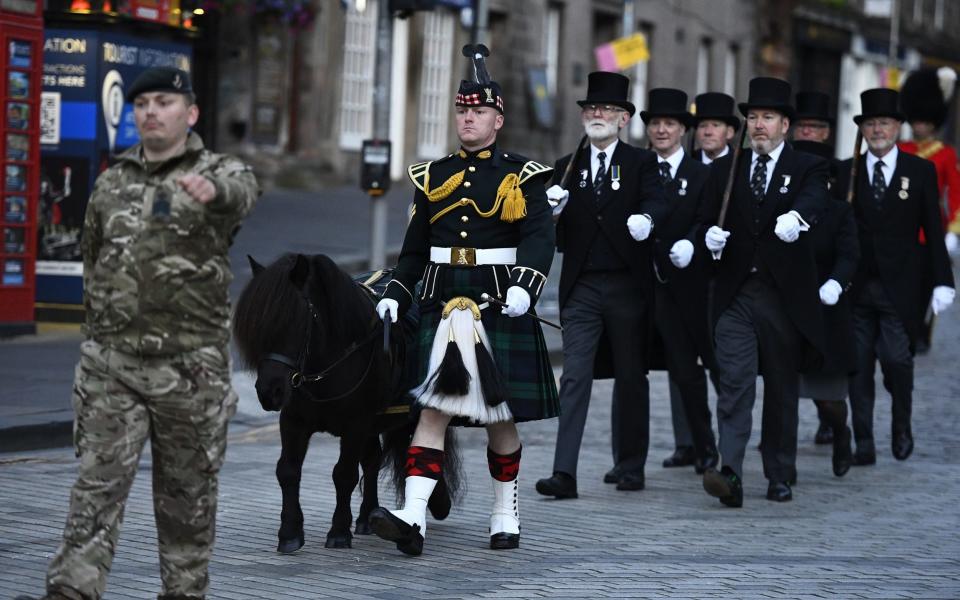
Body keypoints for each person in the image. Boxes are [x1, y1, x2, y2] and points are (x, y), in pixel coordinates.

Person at [17, 67, 259, 600]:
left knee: (186, 497)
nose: (151, 111)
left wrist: (210, 190)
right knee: (95, 490)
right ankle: (71, 590)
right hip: (112, 365)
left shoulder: (220, 171)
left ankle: (184, 591)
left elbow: (241, 194)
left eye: (164, 102)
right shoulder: (112, 179)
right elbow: (92, 253)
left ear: (190, 113)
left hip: (189, 371)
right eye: (143, 103)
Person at [370, 49, 557, 555]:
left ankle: (505, 512)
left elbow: (540, 238)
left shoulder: (524, 176)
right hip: (441, 298)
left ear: (498, 119)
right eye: (461, 111)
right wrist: (393, 293)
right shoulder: (433, 176)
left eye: (477, 112)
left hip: (497, 299)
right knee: (432, 410)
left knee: (500, 415)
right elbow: (413, 251)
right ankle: (412, 517)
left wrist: (526, 285)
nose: (467, 119)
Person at [698, 77, 829, 507]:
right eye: (752, 117)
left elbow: (814, 201)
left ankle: (779, 471)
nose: (758, 125)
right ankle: (730, 471)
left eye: (767, 118)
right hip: (736, 295)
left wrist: (798, 218)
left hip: (782, 295)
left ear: (785, 125)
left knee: (780, 387)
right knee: (734, 385)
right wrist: (707, 238)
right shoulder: (725, 168)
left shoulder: (807, 166)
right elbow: (700, 221)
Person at [534, 71, 665, 499]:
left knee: (630, 375)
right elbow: (553, 238)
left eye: (607, 109)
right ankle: (564, 472)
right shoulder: (565, 168)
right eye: (591, 109)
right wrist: (549, 214)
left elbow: (657, 200)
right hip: (583, 286)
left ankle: (630, 464)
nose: (598, 115)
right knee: (573, 377)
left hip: (628, 285)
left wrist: (648, 219)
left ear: (624, 119)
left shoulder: (641, 162)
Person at [836, 88, 955, 466]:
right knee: (856, 365)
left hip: (900, 286)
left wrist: (943, 281)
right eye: (870, 123)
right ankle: (864, 441)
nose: (877, 130)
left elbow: (932, 229)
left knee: (897, 360)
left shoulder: (918, 171)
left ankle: (901, 424)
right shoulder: (847, 171)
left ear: (897, 127)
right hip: (856, 286)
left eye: (884, 123)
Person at [641, 87, 718, 474]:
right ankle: (630, 460)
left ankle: (705, 446)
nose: (661, 130)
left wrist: (693, 242)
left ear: (682, 130)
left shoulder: (701, 174)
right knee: (631, 371)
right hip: (641, 284)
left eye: (670, 123)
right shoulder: (637, 168)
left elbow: (709, 219)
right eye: (655, 123)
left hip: (685, 286)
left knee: (689, 370)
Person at [791, 91, 844, 447]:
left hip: (826, 271)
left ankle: (832, 421)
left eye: (816, 127)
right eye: (804, 126)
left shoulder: (839, 172)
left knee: (823, 365)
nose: (809, 132)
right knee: (784, 366)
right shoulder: (787, 165)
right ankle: (781, 431)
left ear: (826, 132)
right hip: (791, 270)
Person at [898, 67, 960, 354]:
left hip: (931, 228)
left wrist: (953, 230)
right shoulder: (901, 148)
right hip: (902, 224)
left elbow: (955, 193)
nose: (919, 126)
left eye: (924, 121)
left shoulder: (945, 154)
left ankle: (923, 329)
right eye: (917, 120)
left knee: (927, 283)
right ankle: (907, 327)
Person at [693, 92, 740, 165]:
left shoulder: (740, 164)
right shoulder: (686, 163)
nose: (708, 132)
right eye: (702, 125)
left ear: (729, 132)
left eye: (715, 125)